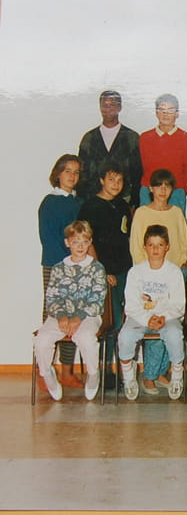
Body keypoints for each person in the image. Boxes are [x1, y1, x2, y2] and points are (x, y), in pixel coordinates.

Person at [129, 169, 187, 390]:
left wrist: (184, 261)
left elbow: (184, 241)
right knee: (154, 322)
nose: (163, 190)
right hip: (150, 276)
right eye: (158, 185)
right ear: (151, 188)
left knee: (170, 323)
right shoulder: (142, 213)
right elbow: (136, 246)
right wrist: (147, 271)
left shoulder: (176, 212)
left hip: (175, 275)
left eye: (167, 185)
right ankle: (149, 374)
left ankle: (161, 371)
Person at [33, 220, 107, 401]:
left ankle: (93, 374)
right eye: (75, 242)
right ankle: (47, 373)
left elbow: (97, 300)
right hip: (60, 316)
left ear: (90, 242)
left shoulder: (97, 268)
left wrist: (78, 318)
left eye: (84, 242)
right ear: (67, 243)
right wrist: (61, 316)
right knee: (42, 340)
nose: (80, 246)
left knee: (86, 338)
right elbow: (52, 297)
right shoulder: (58, 268)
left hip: (88, 316)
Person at [77, 161, 133, 388]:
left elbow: (126, 236)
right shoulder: (90, 207)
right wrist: (103, 271)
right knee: (110, 321)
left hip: (124, 270)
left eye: (119, 180)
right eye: (111, 180)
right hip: (105, 273)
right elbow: (88, 242)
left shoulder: (122, 205)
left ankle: (121, 370)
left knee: (123, 323)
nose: (116, 184)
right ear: (101, 180)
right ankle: (104, 370)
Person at [118, 224, 185, 401]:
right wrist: (147, 319)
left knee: (174, 334)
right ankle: (129, 376)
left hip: (166, 317)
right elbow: (131, 305)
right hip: (140, 317)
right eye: (151, 245)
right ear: (144, 247)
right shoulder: (135, 272)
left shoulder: (174, 272)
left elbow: (178, 304)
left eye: (160, 245)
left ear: (167, 247)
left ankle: (177, 374)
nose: (155, 249)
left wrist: (164, 317)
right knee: (125, 336)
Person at [39, 154, 84, 388]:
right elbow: (48, 237)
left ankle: (67, 371)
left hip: (78, 266)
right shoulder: (50, 202)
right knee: (53, 315)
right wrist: (66, 263)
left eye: (76, 172)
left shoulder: (78, 202)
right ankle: (43, 371)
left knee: (73, 316)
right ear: (58, 174)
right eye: (68, 171)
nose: (72, 176)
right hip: (55, 265)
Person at [78, 90, 142, 206]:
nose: (108, 109)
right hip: (93, 200)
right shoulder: (89, 138)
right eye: (104, 105)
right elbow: (82, 175)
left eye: (112, 105)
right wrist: (82, 202)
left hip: (124, 200)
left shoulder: (132, 138)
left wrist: (134, 202)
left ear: (119, 107)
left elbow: (137, 175)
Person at [139, 93, 187, 212]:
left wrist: (180, 190)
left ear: (177, 114)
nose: (166, 114)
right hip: (149, 191)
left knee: (173, 223)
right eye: (162, 110)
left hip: (175, 192)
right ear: (156, 113)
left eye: (170, 110)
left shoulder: (186, 138)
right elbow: (143, 167)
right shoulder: (145, 137)